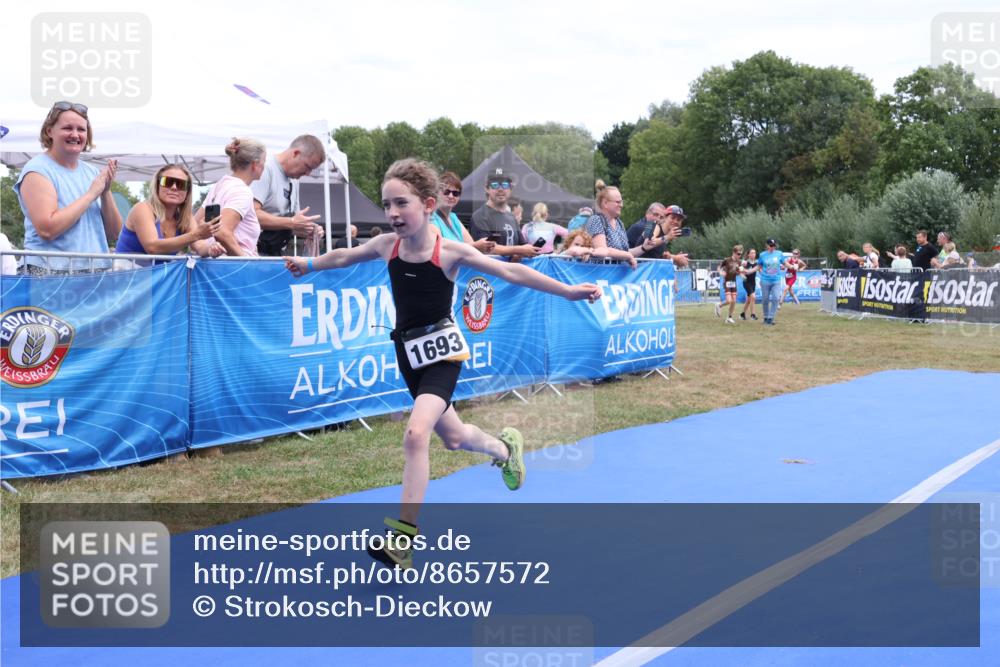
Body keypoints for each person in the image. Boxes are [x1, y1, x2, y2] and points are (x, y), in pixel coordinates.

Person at [284, 159, 602, 570]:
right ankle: (505, 449)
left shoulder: (448, 251)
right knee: (452, 437)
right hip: (408, 356)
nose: (393, 213)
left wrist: (569, 291)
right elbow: (347, 255)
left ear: (429, 204)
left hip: (443, 356)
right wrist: (308, 264)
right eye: (386, 205)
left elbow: (510, 270)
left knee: (417, 435)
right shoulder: (387, 245)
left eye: (402, 203)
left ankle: (402, 541)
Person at [14, 101, 122, 274]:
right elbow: (47, 229)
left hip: (93, 274)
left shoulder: (91, 173)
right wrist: (91, 194)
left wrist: (105, 192)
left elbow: (115, 233)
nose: (75, 134)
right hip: (48, 274)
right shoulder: (37, 170)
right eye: (67, 128)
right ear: (50, 131)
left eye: (81, 129)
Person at [114, 164, 220, 263]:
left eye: (181, 184)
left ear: (187, 192)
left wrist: (212, 248)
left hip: (156, 280)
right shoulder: (142, 209)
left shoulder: (185, 218)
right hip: (126, 278)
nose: (174, 187)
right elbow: (152, 247)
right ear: (157, 186)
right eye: (167, 182)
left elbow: (200, 246)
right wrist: (197, 234)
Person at [252, 135, 326, 256]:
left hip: (274, 252)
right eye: (307, 166)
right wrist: (292, 222)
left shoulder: (294, 180)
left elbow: (291, 224)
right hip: (254, 253)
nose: (308, 173)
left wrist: (309, 230)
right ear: (295, 153)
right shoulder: (266, 169)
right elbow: (251, 214)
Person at [197, 138, 267, 256]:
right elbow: (222, 232)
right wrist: (245, 261)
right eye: (264, 161)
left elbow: (194, 227)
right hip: (232, 268)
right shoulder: (242, 191)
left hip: (215, 265)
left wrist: (206, 248)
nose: (265, 166)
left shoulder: (219, 186)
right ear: (255, 164)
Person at [585, 180, 664, 268]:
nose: (621, 205)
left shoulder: (619, 223)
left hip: (618, 275)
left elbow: (625, 252)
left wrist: (643, 247)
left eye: (621, 201)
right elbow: (602, 250)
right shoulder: (596, 220)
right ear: (605, 203)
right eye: (618, 202)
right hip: (601, 274)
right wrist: (627, 256)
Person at [469, 168, 538, 260]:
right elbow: (487, 249)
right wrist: (519, 250)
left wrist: (531, 250)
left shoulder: (511, 217)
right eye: (495, 185)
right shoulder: (480, 216)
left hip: (512, 272)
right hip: (489, 273)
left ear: (511, 189)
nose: (500, 189)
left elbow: (522, 244)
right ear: (487, 188)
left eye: (505, 185)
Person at [431, 171, 493, 253]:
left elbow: (471, 243)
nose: (451, 196)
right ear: (437, 193)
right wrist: (476, 246)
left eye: (455, 193)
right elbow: (440, 248)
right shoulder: (431, 218)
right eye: (446, 192)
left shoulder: (453, 218)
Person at [758, 238, 784, 325]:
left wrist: (791, 266)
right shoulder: (762, 255)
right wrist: (760, 272)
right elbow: (759, 266)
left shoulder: (779, 253)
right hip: (765, 280)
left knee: (776, 298)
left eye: (774, 246)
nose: (773, 247)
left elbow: (785, 263)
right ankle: (766, 317)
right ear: (767, 246)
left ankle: (771, 318)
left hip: (776, 280)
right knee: (765, 299)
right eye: (771, 246)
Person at [715, 245, 742, 323]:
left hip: (733, 282)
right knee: (729, 301)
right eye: (738, 254)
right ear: (734, 252)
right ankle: (719, 305)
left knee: (734, 301)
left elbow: (738, 272)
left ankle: (729, 317)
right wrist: (720, 272)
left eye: (740, 254)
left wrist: (741, 274)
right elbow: (719, 267)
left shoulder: (739, 262)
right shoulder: (727, 260)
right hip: (727, 282)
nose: (739, 256)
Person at [740, 248, 759, 320]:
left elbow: (760, 270)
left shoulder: (757, 263)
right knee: (753, 297)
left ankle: (742, 314)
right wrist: (742, 276)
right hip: (746, 282)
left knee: (748, 300)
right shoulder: (745, 262)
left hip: (753, 283)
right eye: (752, 253)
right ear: (748, 254)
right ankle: (753, 315)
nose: (753, 254)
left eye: (754, 253)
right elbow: (740, 272)